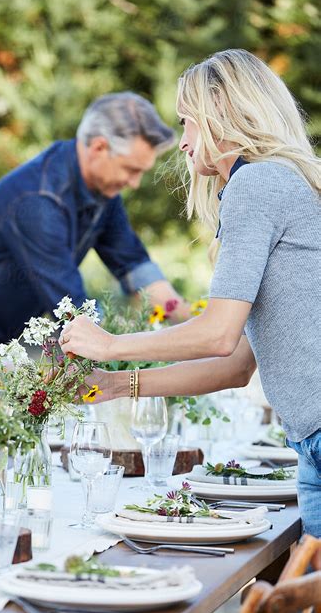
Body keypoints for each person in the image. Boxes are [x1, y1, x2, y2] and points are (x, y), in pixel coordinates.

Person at [60, 50, 321, 547]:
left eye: (186, 121)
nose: (182, 141)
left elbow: (217, 336)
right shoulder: (283, 182)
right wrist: (117, 386)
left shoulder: (258, 183)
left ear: (218, 111)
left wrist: (110, 345)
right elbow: (236, 367)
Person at [0, 92, 191, 365]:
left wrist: (191, 324)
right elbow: (74, 310)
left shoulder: (104, 191)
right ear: (99, 147)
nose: (135, 183)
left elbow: (135, 267)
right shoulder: (37, 200)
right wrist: (130, 351)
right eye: (131, 170)